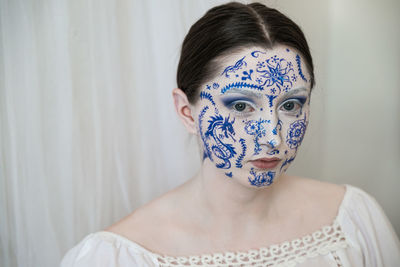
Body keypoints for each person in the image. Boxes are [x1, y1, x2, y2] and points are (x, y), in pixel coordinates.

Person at [60, 2, 400, 266]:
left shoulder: (354, 221)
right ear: (185, 111)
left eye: (292, 105)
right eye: (240, 107)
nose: (272, 138)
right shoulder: (116, 257)